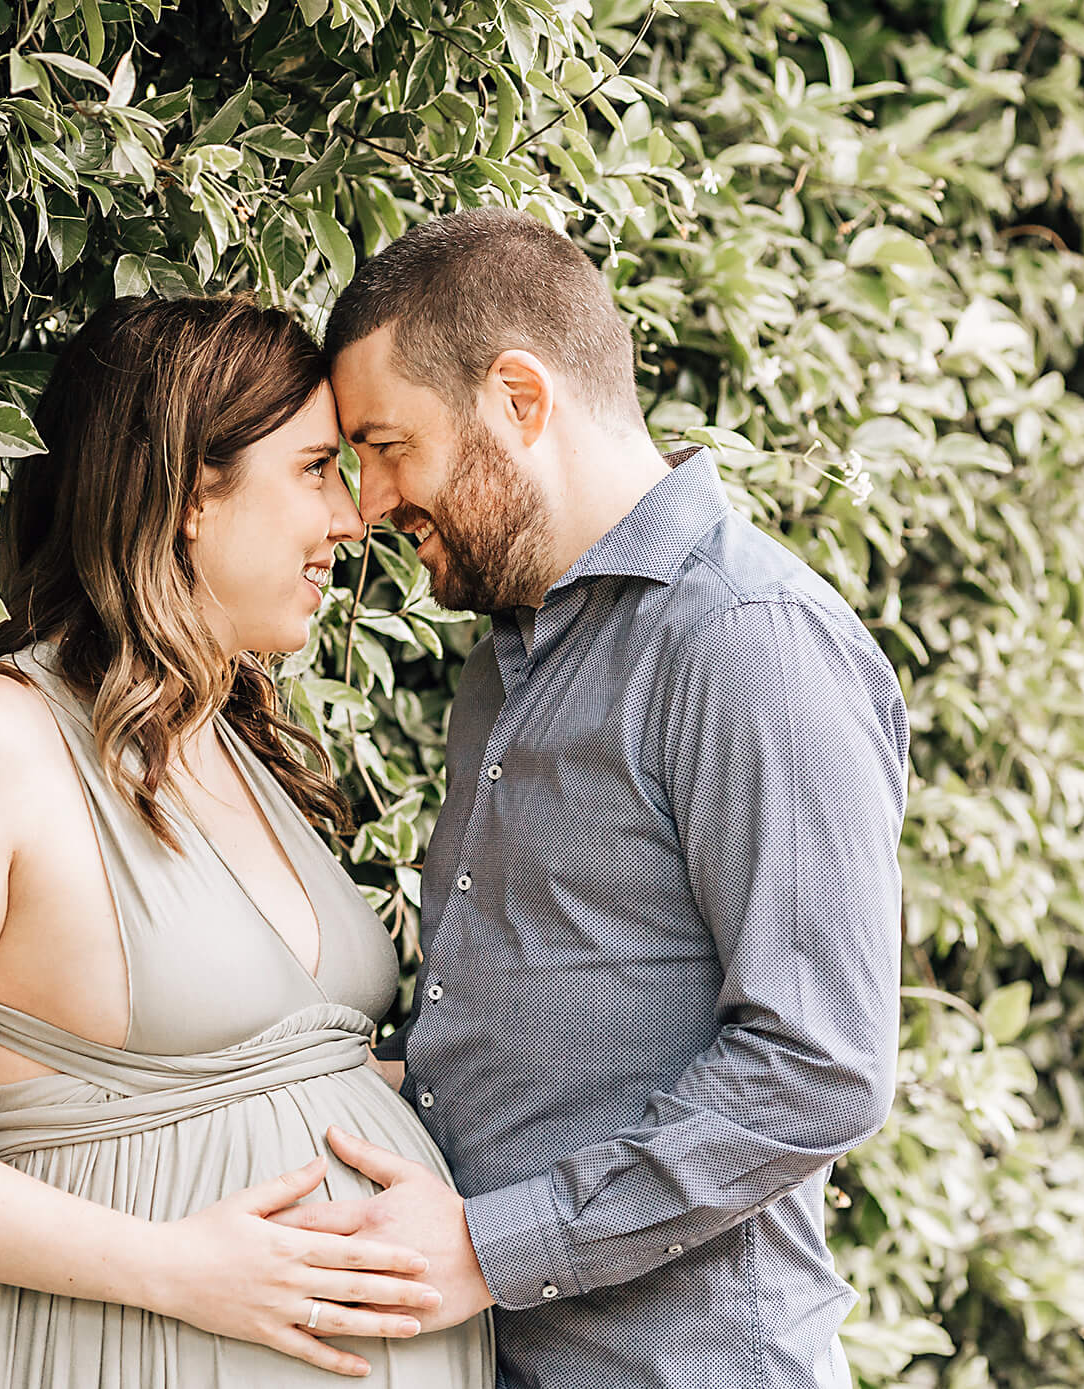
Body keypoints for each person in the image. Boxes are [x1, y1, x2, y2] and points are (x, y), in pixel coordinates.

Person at [0, 295, 493, 1387]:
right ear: (190, 492)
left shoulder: (235, 744)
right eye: (311, 469)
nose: (348, 520)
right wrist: (172, 1269)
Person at [272, 207, 909, 1389]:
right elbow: (555, 1022)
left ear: (518, 397)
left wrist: (487, 1246)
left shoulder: (742, 642)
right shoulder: (500, 664)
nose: (366, 506)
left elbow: (819, 1062)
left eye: (388, 444)